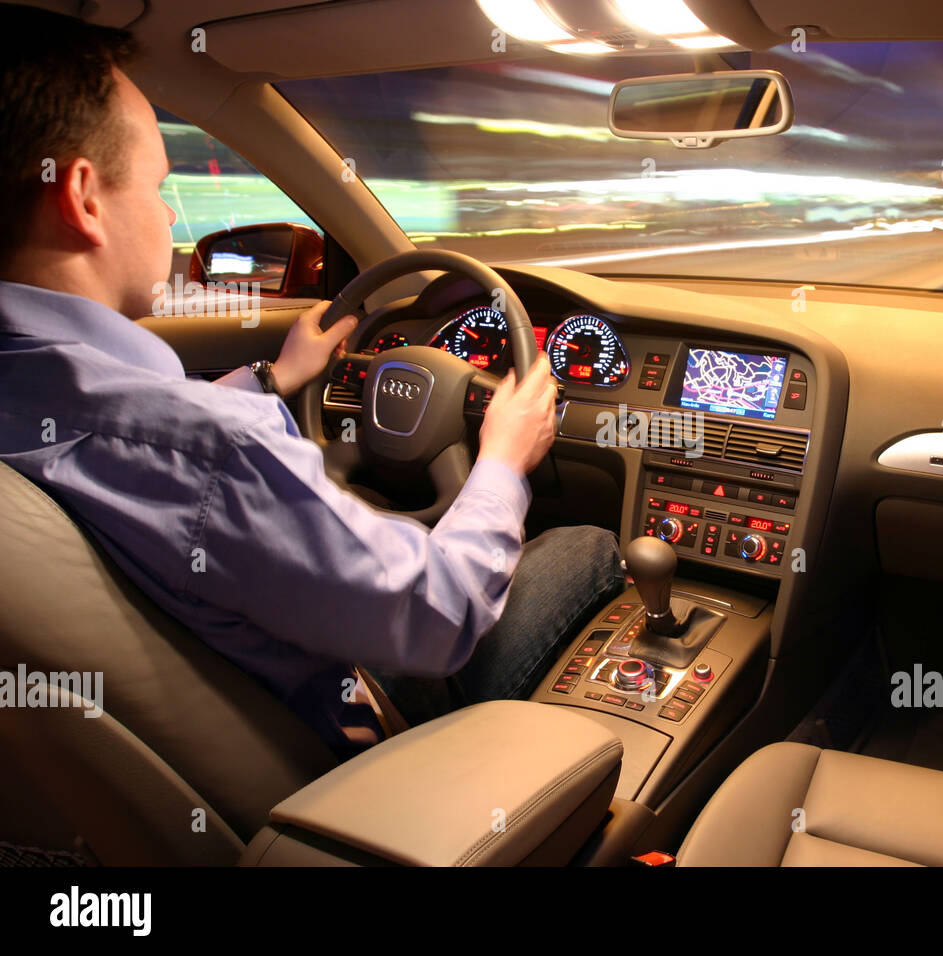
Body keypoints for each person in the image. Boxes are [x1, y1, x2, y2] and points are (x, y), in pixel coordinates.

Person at [0, 4, 625, 756]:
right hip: (348, 733)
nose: (169, 213)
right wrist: (501, 461)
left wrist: (271, 378)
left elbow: (136, 444)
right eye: (159, 184)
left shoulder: (55, 394)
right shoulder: (218, 449)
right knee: (583, 544)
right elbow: (440, 613)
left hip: (214, 717)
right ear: (83, 199)